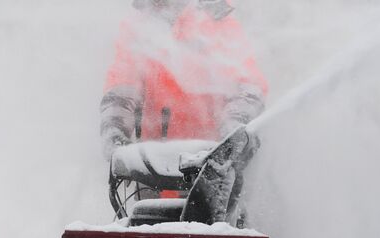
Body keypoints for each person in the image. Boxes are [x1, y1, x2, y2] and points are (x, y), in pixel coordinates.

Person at [100, 0, 268, 224]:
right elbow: (121, 89)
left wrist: (233, 130)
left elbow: (247, 88)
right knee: (145, 237)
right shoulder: (139, 27)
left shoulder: (217, 20)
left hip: (213, 168)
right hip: (151, 173)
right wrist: (114, 132)